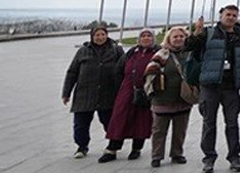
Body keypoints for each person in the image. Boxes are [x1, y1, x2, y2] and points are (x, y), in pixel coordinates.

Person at [186, 6, 240, 173]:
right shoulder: (208, 33)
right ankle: (209, 158)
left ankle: (234, 157)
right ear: (221, 16)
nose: (230, 18)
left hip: (231, 87)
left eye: (234, 15)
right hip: (210, 85)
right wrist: (197, 31)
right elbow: (188, 47)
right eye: (227, 14)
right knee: (209, 123)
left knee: (232, 123)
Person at [63, 23, 124, 158]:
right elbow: (72, 72)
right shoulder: (83, 51)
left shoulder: (116, 50)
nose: (100, 37)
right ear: (92, 36)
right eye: (97, 35)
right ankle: (81, 146)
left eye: (103, 34)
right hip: (85, 94)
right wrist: (66, 93)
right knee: (80, 124)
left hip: (108, 94)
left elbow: (123, 70)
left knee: (109, 122)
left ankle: (113, 145)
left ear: (107, 35)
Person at [101, 28, 157, 162]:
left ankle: (136, 148)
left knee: (141, 120)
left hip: (146, 92)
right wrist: (121, 86)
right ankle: (112, 148)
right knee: (119, 118)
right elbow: (118, 70)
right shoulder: (132, 52)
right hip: (127, 90)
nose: (146, 38)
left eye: (149, 36)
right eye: (143, 36)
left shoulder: (157, 52)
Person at [145, 27, 196, 167]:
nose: (179, 39)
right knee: (159, 130)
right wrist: (151, 91)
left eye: (181, 36)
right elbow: (150, 72)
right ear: (169, 39)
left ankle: (177, 153)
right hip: (162, 98)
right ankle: (156, 156)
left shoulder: (189, 54)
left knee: (180, 130)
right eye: (175, 37)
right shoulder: (161, 54)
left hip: (183, 98)